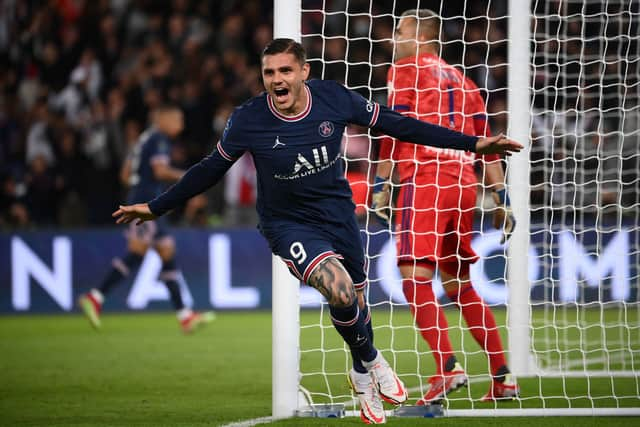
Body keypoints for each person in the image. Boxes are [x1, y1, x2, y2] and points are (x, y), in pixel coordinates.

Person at [113, 39, 522, 424]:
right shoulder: (248, 119)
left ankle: (363, 379)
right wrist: (155, 207)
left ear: (304, 71)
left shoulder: (334, 98)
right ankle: (374, 362)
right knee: (340, 290)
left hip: (338, 213)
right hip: (287, 222)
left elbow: (401, 126)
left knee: (356, 305)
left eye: (285, 70)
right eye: (269, 72)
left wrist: (473, 145)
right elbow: (209, 169)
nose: (277, 80)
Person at [370, 9, 520, 404]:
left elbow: (392, 125)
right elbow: (489, 146)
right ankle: (502, 375)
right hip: (465, 185)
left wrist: (383, 182)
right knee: (458, 284)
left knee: (414, 276)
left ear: (420, 34)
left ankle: (447, 369)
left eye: (399, 30)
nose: (393, 37)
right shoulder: (466, 82)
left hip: (425, 178)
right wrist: (501, 198)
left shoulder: (404, 69)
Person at [78, 105, 214, 334]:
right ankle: (95, 296)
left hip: (145, 203)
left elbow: (125, 175)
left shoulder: (143, 139)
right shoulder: (159, 138)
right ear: (164, 119)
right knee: (138, 251)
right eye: (177, 118)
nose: (181, 124)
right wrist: (192, 178)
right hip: (146, 207)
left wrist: (140, 187)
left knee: (166, 251)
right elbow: (160, 171)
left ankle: (184, 316)